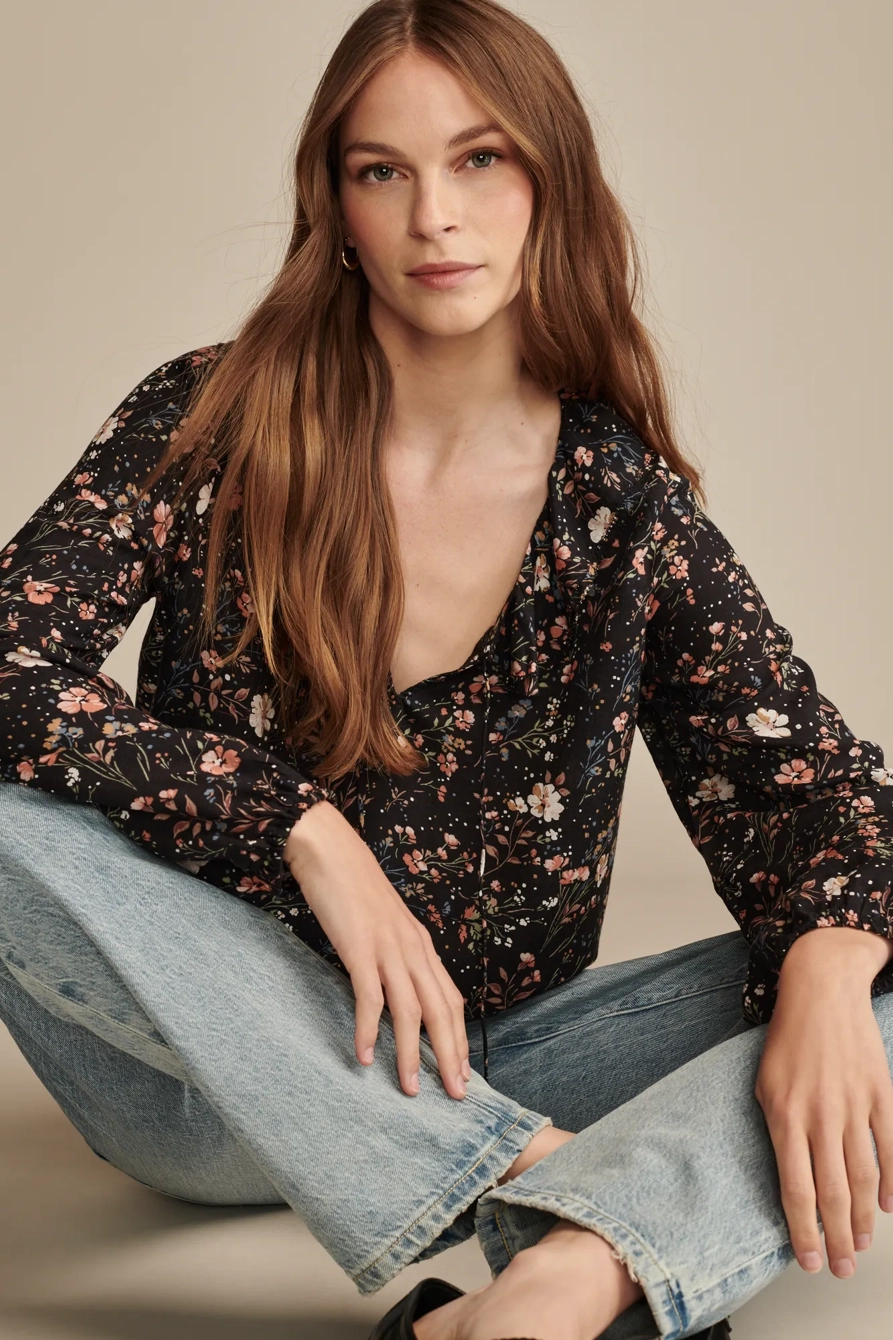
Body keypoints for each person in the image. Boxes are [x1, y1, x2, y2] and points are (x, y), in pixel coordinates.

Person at [1, 1, 892, 1338]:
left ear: (550, 185)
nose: (436, 218)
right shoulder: (213, 419)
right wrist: (294, 825)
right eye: (385, 171)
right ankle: (549, 1192)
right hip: (189, 1072)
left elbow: (813, 790)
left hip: (487, 1065)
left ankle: (558, 1285)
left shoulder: (618, 506)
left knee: (870, 958)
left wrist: (828, 964)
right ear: (338, 210)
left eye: (481, 159)